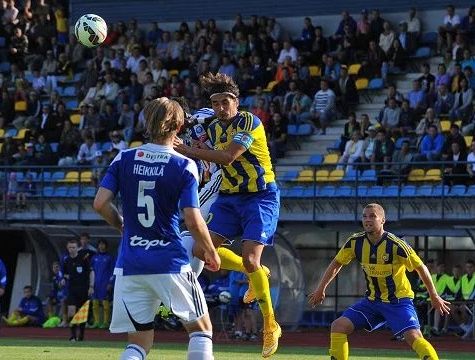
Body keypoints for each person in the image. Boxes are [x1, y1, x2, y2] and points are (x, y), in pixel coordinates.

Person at [93, 97, 220, 360]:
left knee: (138, 344)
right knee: (201, 331)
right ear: (180, 124)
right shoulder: (184, 164)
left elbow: (100, 203)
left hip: (130, 264)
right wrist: (210, 251)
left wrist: (121, 226)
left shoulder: (124, 157)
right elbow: (193, 219)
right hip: (169, 261)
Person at [172, 73, 281, 357]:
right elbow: (194, 122)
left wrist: (184, 149)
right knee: (201, 250)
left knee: (250, 257)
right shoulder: (213, 125)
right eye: (216, 103)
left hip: (260, 195)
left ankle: (271, 324)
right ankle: (253, 273)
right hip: (230, 198)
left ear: (237, 101)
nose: (221, 108)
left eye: (225, 102)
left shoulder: (248, 121)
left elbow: (228, 157)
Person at [307, 204, 450, 360]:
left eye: (372, 216)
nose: (367, 220)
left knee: (414, 337)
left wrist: (434, 296)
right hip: (372, 302)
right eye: (364, 216)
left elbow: (420, 268)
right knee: (338, 326)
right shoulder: (355, 242)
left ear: (383, 220)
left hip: (398, 301)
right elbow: (336, 263)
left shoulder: (396, 245)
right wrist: (321, 289)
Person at [60, 239, 92, 341]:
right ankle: (73, 335)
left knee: (82, 314)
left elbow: (91, 272)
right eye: (70, 247)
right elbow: (65, 274)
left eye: (73, 247)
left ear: (77, 248)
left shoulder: (83, 258)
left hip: (84, 289)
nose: (72, 249)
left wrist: (91, 286)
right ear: (67, 248)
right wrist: (63, 280)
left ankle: (81, 335)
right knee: (71, 313)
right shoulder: (66, 260)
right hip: (72, 290)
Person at [89, 239, 115, 329]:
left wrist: (110, 283)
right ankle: (96, 321)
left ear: (106, 246)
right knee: (95, 303)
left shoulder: (110, 258)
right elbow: (90, 271)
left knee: (105, 303)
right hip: (95, 284)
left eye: (103, 244)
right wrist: (91, 284)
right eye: (100, 244)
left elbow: (113, 271)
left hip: (105, 283)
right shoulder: (94, 258)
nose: (101, 246)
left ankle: (106, 322)